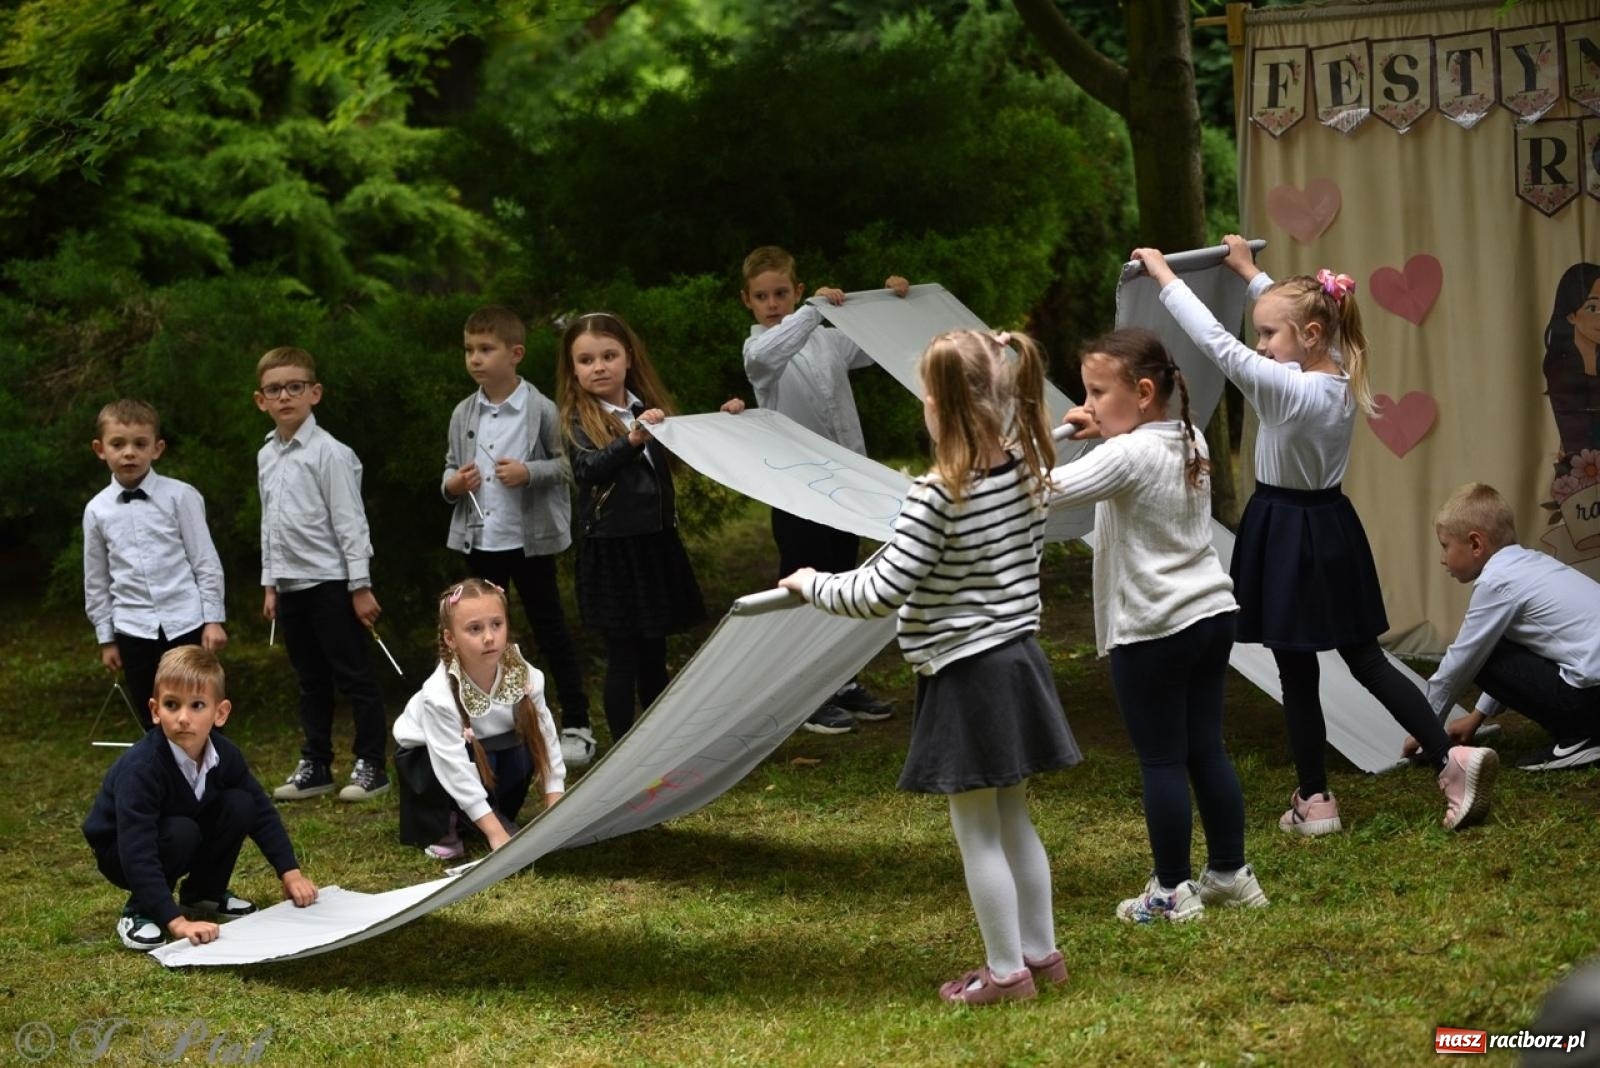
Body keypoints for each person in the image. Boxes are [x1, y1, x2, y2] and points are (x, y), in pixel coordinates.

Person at [1135, 237, 1497, 833]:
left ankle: (1317, 801)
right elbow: (1299, 317)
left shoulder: (1289, 389)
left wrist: (1164, 278)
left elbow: (1216, 344)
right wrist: (1252, 275)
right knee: (1366, 661)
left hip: (1282, 528)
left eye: (1268, 336)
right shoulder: (1339, 369)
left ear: (1307, 335)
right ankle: (1451, 758)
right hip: (1330, 524)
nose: (1260, 345)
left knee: (1296, 671)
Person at [781, 329, 1080, 1004]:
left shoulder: (937, 494)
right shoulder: (1031, 468)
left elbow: (879, 589)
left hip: (968, 674)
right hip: (1019, 661)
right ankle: (1042, 955)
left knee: (977, 831)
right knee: (1014, 819)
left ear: (936, 404)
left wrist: (811, 584)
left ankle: (1005, 975)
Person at [1048, 327, 1267, 924]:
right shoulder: (1186, 433)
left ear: (1143, 392)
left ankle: (1169, 891)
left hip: (1154, 628)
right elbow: (1126, 465)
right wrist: (1102, 433)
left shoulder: (1126, 455)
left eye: (1096, 392)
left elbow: (1039, 491)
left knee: (1162, 760)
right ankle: (1230, 872)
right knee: (1205, 748)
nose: (1085, 406)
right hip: (1210, 615)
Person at [742, 245, 908, 734]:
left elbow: (878, 342)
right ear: (747, 301)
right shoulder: (758, 352)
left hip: (846, 484)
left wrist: (890, 300)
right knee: (803, 584)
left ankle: (841, 682)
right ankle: (802, 694)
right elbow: (775, 349)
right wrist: (812, 310)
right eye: (761, 296)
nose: (772, 304)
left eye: (781, 294)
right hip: (796, 491)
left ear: (794, 290)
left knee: (843, 579)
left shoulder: (827, 342)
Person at [556, 312, 734, 743]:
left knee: (654, 651)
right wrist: (632, 440)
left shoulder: (644, 408)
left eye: (608, 356)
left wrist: (727, 420)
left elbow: (682, 452)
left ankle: (657, 744)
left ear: (628, 358)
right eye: (586, 360)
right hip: (613, 551)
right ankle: (622, 747)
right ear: (573, 369)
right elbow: (590, 468)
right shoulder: (578, 419)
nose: (598, 366)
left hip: (655, 545)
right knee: (623, 655)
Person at [81, 647, 318, 951]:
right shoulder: (142, 768)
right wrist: (175, 922)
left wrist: (291, 873)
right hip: (122, 851)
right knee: (181, 831)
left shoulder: (225, 754)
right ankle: (141, 910)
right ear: (155, 711)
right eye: (171, 705)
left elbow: (261, 811)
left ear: (220, 713)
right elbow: (136, 846)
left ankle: (204, 894)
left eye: (197, 705)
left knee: (240, 803)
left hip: (179, 832)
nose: (183, 718)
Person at [443, 305, 596, 770]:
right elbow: (449, 468)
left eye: (485, 349)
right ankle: (488, 724)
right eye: (469, 349)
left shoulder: (542, 410)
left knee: (549, 630)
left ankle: (577, 724)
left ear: (515, 354)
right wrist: (453, 484)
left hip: (529, 544)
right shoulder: (463, 412)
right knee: (480, 638)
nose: (475, 358)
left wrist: (529, 472)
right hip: (482, 542)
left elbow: (570, 465)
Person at [255, 346, 389, 803]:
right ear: (262, 400)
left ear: (315, 393)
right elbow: (269, 522)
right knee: (309, 678)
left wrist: (360, 585)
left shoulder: (330, 453)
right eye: (275, 389)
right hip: (291, 586)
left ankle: (372, 762)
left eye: (295, 387)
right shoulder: (266, 456)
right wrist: (270, 582)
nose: (285, 396)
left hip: (331, 583)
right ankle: (315, 764)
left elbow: (350, 522)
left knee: (353, 675)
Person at [1402, 483, 1600, 771]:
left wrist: (1424, 730)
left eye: (1445, 545)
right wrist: (1476, 717)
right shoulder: (1530, 565)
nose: (1443, 558)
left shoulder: (1497, 581)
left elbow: (1461, 663)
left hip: (1592, 698)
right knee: (1493, 646)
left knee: (1480, 655)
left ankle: (1581, 737)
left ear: (1476, 544)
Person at [393, 578, 566, 860]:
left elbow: (545, 737)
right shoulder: (438, 695)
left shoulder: (525, 675)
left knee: (520, 741)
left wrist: (554, 800)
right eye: (475, 629)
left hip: (488, 752)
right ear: (451, 639)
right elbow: (453, 767)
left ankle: (485, 816)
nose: (489, 637)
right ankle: (449, 822)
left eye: (496, 625)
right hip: (429, 763)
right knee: (446, 760)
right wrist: (495, 834)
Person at [83, 399, 228, 722]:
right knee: (154, 716)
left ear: (157, 448)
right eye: (118, 444)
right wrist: (106, 638)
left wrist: (213, 618)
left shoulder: (181, 496)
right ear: (100, 449)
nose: (129, 452)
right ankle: (164, 773)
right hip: (132, 628)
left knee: (198, 709)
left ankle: (211, 772)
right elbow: (96, 579)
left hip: (186, 622)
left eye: (140, 443)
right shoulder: (96, 510)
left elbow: (204, 560)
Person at [1542, 262, 1600, 459]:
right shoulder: (1562, 369)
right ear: (1571, 314)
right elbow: (1574, 435)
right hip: (1579, 471)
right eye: (1593, 308)